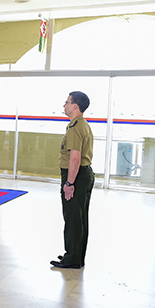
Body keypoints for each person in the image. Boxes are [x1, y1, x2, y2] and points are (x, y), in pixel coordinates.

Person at [51, 91, 94, 269]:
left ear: (75, 106)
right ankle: (75, 254)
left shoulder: (75, 127)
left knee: (73, 218)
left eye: (67, 102)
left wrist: (69, 183)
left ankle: (72, 259)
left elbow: (75, 158)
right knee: (80, 218)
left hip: (76, 176)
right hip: (84, 174)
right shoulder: (81, 124)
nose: (64, 105)